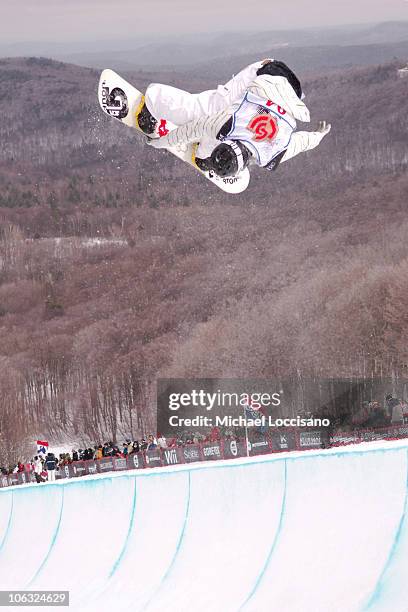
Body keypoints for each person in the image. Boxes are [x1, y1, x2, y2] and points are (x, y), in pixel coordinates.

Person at [140, 59, 331, 178]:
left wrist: (318, 136)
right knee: (202, 110)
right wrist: (159, 143)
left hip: (289, 94)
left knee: (212, 124)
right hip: (267, 74)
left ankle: (204, 155)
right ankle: (153, 102)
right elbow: (189, 131)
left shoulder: (274, 151)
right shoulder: (231, 122)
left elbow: (301, 142)